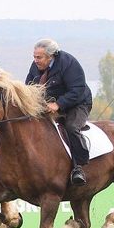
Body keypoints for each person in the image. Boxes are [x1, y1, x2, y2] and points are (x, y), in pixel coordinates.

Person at [25, 38, 93, 186]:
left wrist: (59, 104)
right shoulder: (35, 66)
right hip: (48, 105)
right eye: (34, 57)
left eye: (39, 57)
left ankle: (78, 167)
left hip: (78, 103)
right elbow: (28, 88)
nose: (35, 60)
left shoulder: (69, 63)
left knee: (71, 128)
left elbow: (78, 89)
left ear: (51, 56)